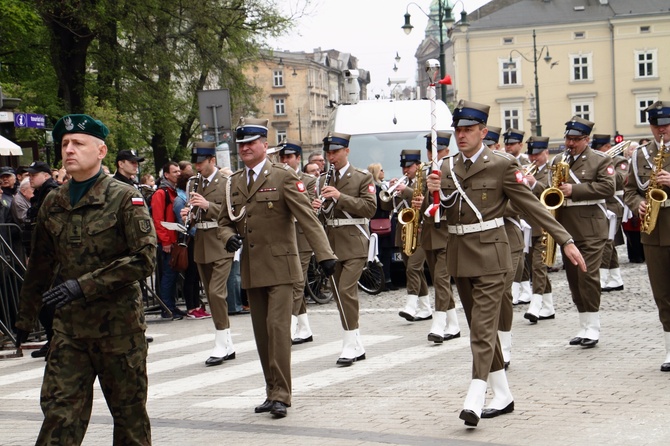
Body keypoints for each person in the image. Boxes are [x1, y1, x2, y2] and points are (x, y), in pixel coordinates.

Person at [426, 100, 586, 427]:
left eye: (469, 130)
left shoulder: (502, 164)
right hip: (459, 255)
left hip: (492, 256)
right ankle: (503, 394)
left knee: (483, 329)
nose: (462, 136)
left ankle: (475, 394)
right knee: (479, 328)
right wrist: (434, 196)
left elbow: (532, 206)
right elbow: (441, 218)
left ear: (483, 132)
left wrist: (565, 239)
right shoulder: (445, 167)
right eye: (458, 130)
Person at [14, 113, 156, 444]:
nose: (69, 150)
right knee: (59, 415)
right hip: (70, 330)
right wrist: (25, 317)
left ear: (101, 150)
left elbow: (144, 258)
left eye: (78, 143)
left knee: (129, 419)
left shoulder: (124, 198)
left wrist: (84, 285)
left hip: (119, 329)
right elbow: (41, 265)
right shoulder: (54, 201)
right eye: (65, 144)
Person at [218, 117, 336, 418]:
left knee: (278, 329)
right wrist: (229, 237)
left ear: (264, 145)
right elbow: (224, 220)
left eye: (250, 143)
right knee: (261, 334)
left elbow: (308, 219)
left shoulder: (281, 176)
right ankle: (271, 391)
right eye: (241, 144)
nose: (245, 148)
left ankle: (282, 394)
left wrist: (325, 255)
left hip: (282, 268)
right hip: (253, 268)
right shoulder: (234, 182)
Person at [550, 116, 615, 348]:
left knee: (587, 277)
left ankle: (593, 327)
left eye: (576, 140)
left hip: (591, 228)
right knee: (574, 280)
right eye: (568, 138)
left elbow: (609, 188)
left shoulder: (600, 159)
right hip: (567, 228)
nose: (570, 143)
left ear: (586, 140)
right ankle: (583, 325)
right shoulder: (559, 159)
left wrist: (573, 189)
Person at [313, 131, 376, 365]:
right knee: (339, 294)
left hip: (355, 241)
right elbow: (319, 219)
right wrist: (316, 207)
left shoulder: (362, 177)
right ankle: (356, 342)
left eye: (336, 152)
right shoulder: (321, 180)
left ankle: (349, 343)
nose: (331, 157)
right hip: (332, 244)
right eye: (328, 153)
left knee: (346, 290)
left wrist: (339, 197)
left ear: (346, 151)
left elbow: (369, 209)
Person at [624, 100, 670, 372]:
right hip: (653, 232)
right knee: (662, 293)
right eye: (656, 126)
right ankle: (669, 349)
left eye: (665, 125)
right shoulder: (640, 155)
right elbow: (630, 190)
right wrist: (636, 204)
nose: (661, 131)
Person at [182, 142, 235, 366]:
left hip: (221, 243)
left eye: (201, 162)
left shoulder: (226, 182)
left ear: (212, 161)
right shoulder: (193, 183)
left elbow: (231, 213)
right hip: (201, 244)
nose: (197, 167)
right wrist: (189, 214)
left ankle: (221, 341)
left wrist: (206, 206)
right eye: (195, 162)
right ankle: (227, 341)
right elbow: (194, 214)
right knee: (211, 295)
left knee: (215, 292)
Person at [417, 131, 461, 343]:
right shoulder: (425, 172)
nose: (434, 155)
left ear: (447, 150)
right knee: (438, 279)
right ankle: (453, 324)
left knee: (442, 280)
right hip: (429, 233)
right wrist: (419, 203)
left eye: (439, 150)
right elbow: (425, 206)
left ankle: (439, 322)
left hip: (447, 232)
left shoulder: (454, 170)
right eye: (431, 151)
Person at [278, 138, 318, 344]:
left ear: (297, 159)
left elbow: (308, 208)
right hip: (281, 238)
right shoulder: (274, 179)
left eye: (289, 157)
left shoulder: (309, 181)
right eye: (282, 157)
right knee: (292, 282)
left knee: (296, 282)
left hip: (301, 239)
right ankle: (305, 328)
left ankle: (290, 327)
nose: (285, 160)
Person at [385, 150, 432, 322]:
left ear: (418, 166)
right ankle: (425, 308)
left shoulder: (426, 180)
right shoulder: (401, 184)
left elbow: (425, 199)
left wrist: (406, 190)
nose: (405, 170)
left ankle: (411, 306)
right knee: (414, 270)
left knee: (414, 267)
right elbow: (387, 205)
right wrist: (390, 191)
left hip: (421, 230)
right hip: (404, 231)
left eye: (409, 167)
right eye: (403, 167)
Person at [521, 136, 557, 324]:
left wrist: (534, 183)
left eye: (537, 154)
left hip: (545, 226)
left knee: (538, 266)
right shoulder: (526, 170)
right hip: (529, 227)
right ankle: (548, 306)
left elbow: (552, 192)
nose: (533, 158)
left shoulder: (552, 170)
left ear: (546, 153)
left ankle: (535, 306)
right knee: (536, 267)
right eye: (531, 154)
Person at [592, 134, 628, 292]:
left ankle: (602, 277)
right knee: (609, 242)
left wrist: (607, 164)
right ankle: (615, 278)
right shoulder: (597, 161)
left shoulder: (619, 161)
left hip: (614, 205)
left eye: (600, 149)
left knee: (606, 241)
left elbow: (620, 179)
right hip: (602, 205)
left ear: (607, 147)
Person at [151, 161, 186, 320]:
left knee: (172, 276)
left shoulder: (172, 192)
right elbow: (158, 219)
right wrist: (164, 241)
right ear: (166, 175)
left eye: (179, 171)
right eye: (175, 172)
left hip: (173, 241)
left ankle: (171, 306)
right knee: (168, 276)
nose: (178, 174)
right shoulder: (161, 193)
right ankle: (167, 308)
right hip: (167, 242)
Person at [173, 171, 209, 319]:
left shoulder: (189, 198)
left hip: (194, 239)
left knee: (195, 276)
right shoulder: (180, 200)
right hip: (188, 240)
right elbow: (184, 222)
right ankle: (191, 307)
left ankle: (196, 305)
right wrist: (198, 230)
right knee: (190, 276)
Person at [502, 128, 532, 305]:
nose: (509, 147)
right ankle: (521, 289)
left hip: (524, 216)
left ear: (520, 145)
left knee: (522, 259)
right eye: (507, 144)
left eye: (512, 144)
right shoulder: (501, 162)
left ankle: (525, 289)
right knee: (518, 259)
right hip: (512, 218)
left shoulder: (524, 163)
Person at [368, 162, 397, 292]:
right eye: (381, 170)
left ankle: (388, 279)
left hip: (385, 222)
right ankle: (379, 281)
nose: (383, 172)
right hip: (375, 223)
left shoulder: (383, 186)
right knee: (377, 253)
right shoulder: (373, 188)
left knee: (386, 253)